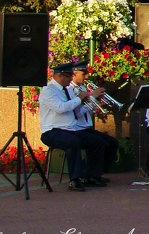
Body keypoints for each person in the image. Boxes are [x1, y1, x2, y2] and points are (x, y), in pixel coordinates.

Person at [39, 61, 110, 191]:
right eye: (69, 76)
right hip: (52, 131)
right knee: (73, 142)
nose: (71, 79)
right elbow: (60, 108)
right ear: (60, 76)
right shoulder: (48, 90)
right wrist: (79, 98)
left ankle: (91, 176)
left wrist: (92, 101)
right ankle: (75, 179)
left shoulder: (68, 90)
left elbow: (76, 111)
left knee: (98, 141)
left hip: (70, 129)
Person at [68, 61, 119, 182]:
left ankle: (97, 173)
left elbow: (87, 110)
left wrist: (97, 103)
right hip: (76, 128)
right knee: (98, 143)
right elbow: (77, 113)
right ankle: (90, 175)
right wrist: (92, 99)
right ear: (74, 73)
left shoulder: (82, 87)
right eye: (84, 73)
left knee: (112, 143)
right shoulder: (70, 90)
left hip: (86, 127)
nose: (86, 76)